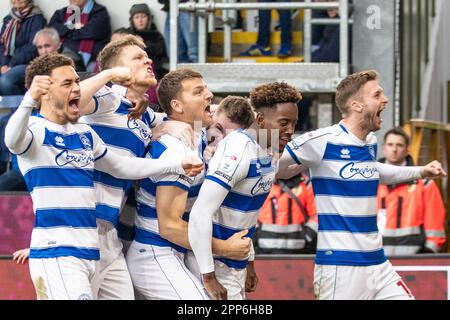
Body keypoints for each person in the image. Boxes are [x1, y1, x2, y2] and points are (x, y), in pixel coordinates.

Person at [3, 53, 202, 300]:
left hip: (97, 250)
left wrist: (174, 165)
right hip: (59, 253)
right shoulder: (35, 129)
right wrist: (27, 100)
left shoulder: (84, 133)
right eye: (67, 84)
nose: (77, 88)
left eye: (77, 81)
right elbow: (12, 140)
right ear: (44, 91)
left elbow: (121, 166)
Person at [278, 70, 446, 300]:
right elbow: (271, 166)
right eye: (377, 95)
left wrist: (420, 171)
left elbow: (371, 170)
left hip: (377, 263)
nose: (385, 100)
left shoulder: (369, 141)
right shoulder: (322, 141)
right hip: (340, 267)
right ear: (356, 105)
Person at [126, 69, 251, 300]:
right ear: (178, 106)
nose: (209, 95)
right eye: (198, 92)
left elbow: (226, 112)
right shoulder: (176, 149)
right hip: (155, 252)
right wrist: (225, 248)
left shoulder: (199, 134)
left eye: (206, 88)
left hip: (179, 251)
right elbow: (170, 227)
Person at [188, 83, 301, 300]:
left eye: (294, 123)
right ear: (259, 120)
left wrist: (249, 262)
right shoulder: (237, 152)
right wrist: (208, 276)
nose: (290, 130)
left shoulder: (268, 149)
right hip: (215, 264)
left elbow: (247, 214)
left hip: (235, 264)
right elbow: (200, 214)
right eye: (283, 123)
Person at [377, 127, 447, 255]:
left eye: (399, 145)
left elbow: (435, 226)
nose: (394, 149)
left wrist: (428, 252)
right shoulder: (370, 182)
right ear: (383, 148)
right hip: (377, 259)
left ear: (407, 150)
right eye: (390, 144)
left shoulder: (425, 184)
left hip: (414, 260)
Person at [254, 173, 318, 254]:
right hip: (263, 250)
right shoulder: (262, 182)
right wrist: (255, 234)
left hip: (298, 251)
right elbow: (251, 212)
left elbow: (316, 215)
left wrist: (307, 236)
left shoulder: (306, 184)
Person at [49, 0, 111, 71]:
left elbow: (91, 31)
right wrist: (75, 27)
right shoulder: (60, 13)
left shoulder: (99, 12)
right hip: (62, 56)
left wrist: (66, 30)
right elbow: (51, 32)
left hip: (91, 61)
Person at [0, 0, 46, 95]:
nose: (16, 0)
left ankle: (20, 108)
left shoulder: (37, 19)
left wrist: (11, 65)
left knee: (5, 82)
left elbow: (33, 47)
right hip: (7, 64)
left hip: (28, 64)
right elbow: (1, 45)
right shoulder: (8, 19)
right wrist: (4, 64)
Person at [127, 3, 168, 80]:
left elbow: (161, 51)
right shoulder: (127, 34)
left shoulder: (156, 35)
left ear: (149, 18)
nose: (140, 20)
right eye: (136, 17)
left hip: (154, 72)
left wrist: (144, 44)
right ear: (132, 20)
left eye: (143, 16)